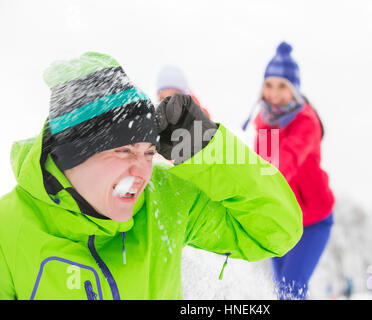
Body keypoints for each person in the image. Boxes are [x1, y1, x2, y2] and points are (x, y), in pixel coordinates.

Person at [0, 52, 303, 300]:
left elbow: (276, 231)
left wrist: (207, 147)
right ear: (73, 156)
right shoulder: (10, 228)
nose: (143, 171)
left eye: (148, 152)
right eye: (124, 151)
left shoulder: (165, 200)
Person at [252, 42, 335, 300]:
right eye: (269, 85)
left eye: (282, 86)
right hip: (282, 221)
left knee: (290, 290)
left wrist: (260, 179)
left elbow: (283, 162)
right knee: (284, 292)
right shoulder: (264, 123)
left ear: (294, 89)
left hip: (313, 221)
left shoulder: (306, 122)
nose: (274, 93)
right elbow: (262, 167)